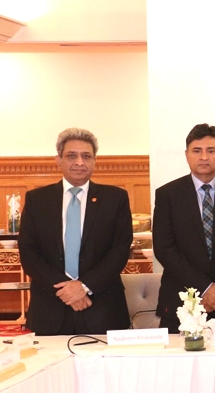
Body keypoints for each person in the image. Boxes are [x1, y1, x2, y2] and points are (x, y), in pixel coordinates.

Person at [18, 128, 132, 335]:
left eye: (86, 156)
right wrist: (67, 291)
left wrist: (84, 286)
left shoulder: (115, 199)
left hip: (103, 308)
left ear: (95, 161)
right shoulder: (37, 200)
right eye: (71, 156)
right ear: (58, 160)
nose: (79, 162)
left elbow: (120, 250)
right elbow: (29, 253)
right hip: (50, 309)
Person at [153, 124, 215, 333]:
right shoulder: (167, 195)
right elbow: (164, 249)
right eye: (197, 151)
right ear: (187, 155)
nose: (204, 157)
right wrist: (206, 288)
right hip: (181, 301)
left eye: (211, 151)